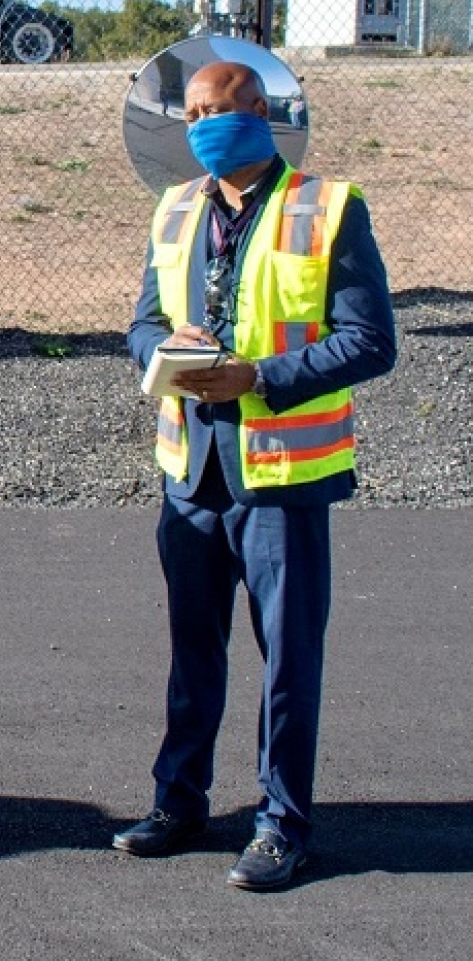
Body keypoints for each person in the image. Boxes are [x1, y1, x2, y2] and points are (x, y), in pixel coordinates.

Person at [118, 61, 397, 890]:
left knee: (288, 657)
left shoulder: (328, 209)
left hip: (282, 477)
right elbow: (139, 324)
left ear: (261, 113)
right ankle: (180, 801)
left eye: (220, 109)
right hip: (191, 473)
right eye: (193, 111)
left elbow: (370, 340)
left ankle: (282, 823)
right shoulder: (175, 210)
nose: (203, 124)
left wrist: (260, 376)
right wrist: (165, 357)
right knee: (192, 650)